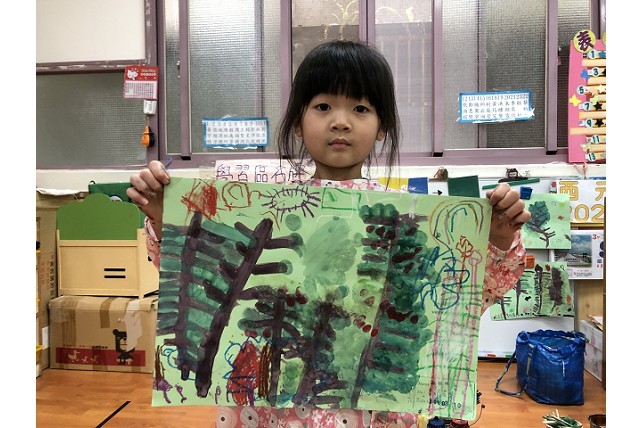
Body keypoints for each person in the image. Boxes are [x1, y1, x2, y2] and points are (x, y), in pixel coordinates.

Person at [127, 40, 531, 428]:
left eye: (360, 107)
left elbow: (463, 300)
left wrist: (497, 239)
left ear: (382, 126)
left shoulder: (409, 221)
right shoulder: (265, 209)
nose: (340, 121)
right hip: (271, 411)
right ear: (298, 122)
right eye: (323, 106)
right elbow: (196, 277)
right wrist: (165, 218)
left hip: (374, 413)